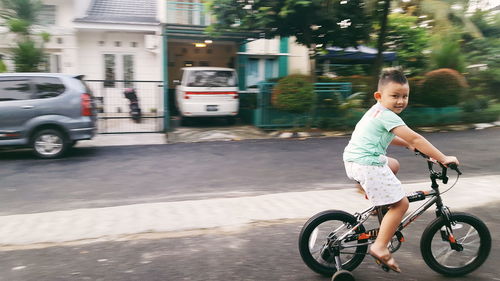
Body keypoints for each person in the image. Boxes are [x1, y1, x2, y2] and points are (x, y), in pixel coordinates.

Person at [343, 67, 459, 273]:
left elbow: (390, 136)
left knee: (393, 164)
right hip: (367, 164)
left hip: (355, 159)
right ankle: (379, 246)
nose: (400, 101)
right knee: (401, 205)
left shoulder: (377, 110)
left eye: (405, 96)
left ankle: (377, 201)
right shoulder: (388, 116)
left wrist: (407, 145)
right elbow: (415, 137)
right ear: (379, 96)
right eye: (395, 96)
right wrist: (443, 158)